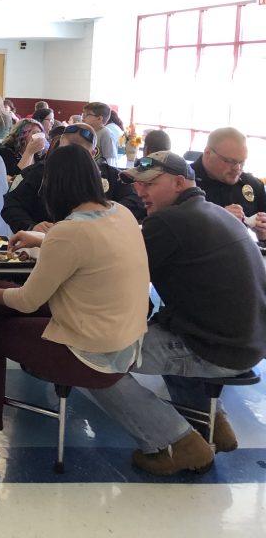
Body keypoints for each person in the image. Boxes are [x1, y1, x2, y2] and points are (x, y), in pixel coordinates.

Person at [0, 145, 150, 455]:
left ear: (53, 185)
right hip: (126, 339)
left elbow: (27, 301)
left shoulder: (68, 232)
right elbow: (87, 245)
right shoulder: (120, 213)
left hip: (93, 351)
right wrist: (41, 238)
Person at [88, 151, 266, 475]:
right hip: (249, 343)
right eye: (138, 184)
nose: (140, 191)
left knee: (89, 358)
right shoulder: (216, 213)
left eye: (150, 184)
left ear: (179, 183)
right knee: (162, 330)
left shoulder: (168, 222)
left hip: (216, 349)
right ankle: (212, 422)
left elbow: (112, 272)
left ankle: (177, 443)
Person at [1, 122, 145, 233]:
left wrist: (104, 218)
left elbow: (136, 201)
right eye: (67, 152)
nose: (72, 159)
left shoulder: (110, 176)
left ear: (93, 154)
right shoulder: (36, 174)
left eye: (79, 154)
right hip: (44, 243)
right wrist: (32, 227)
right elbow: (11, 206)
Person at [191, 127, 266, 239]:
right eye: (230, 161)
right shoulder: (182, 182)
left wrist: (263, 235)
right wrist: (214, 220)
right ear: (208, 153)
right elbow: (170, 232)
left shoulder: (252, 185)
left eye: (242, 162)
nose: (237, 168)